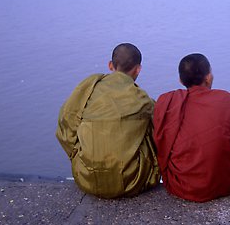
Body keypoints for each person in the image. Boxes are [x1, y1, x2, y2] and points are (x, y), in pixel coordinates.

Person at [55, 43, 160, 198]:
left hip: (86, 178)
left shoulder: (88, 88)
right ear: (138, 69)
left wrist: (77, 154)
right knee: (152, 126)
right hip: (132, 181)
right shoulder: (143, 100)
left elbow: (66, 122)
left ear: (110, 65)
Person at [153, 53, 230, 202]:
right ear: (208, 77)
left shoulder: (166, 101)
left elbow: (160, 142)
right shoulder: (224, 99)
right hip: (223, 183)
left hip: (181, 185)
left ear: (180, 80)